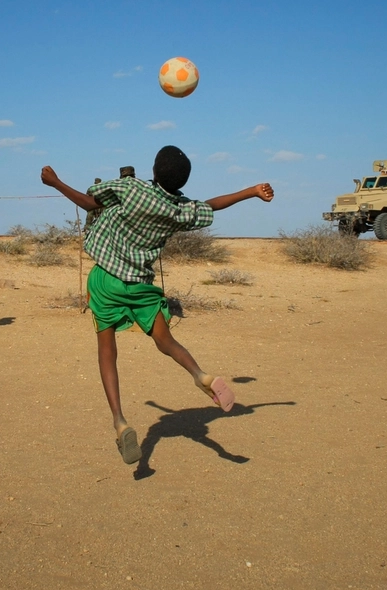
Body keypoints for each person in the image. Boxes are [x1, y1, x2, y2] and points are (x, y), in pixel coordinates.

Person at [41, 145, 275, 465]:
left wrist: (55, 182)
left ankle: (120, 421)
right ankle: (200, 374)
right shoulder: (179, 210)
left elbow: (88, 201)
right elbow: (211, 205)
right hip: (141, 287)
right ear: (181, 182)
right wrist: (251, 191)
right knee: (165, 340)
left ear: (152, 170)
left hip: (105, 281)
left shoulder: (130, 188)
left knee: (107, 351)